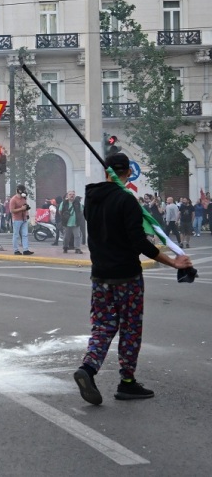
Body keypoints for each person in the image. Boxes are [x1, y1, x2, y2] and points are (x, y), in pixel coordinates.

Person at [74, 153, 193, 405]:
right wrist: (173, 262)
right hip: (127, 277)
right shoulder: (126, 200)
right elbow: (139, 243)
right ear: (128, 172)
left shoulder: (91, 199)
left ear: (106, 172)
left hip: (100, 276)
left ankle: (88, 368)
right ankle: (127, 382)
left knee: (103, 327)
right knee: (129, 329)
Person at [9, 184, 33, 255]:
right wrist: (21, 209)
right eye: (23, 190)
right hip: (17, 219)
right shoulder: (13, 200)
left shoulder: (24, 198)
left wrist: (27, 213)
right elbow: (12, 210)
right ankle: (16, 250)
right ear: (19, 190)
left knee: (25, 234)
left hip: (24, 218)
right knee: (16, 235)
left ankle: (25, 249)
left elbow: (26, 207)